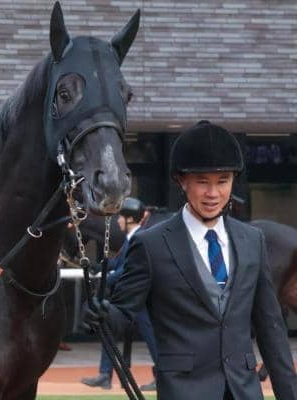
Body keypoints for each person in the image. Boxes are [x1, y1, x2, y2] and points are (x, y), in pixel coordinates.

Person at [84, 121, 297, 399]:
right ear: (181, 180)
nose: (213, 194)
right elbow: (123, 316)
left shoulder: (252, 241)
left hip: (244, 391)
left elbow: (271, 329)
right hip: (183, 390)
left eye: (223, 181)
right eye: (202, 182)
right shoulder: (150, 245)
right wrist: (101, 314)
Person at [81, 197, 157, 391]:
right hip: (130, 301)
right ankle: (105, 375)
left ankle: (163, 374)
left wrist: (107, 279)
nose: (119, 221)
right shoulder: (131, 238)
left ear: (130, 218)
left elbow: (128, 269)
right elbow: (117, 263)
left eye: (121, 217)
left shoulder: (140, 238)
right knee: (109, 329)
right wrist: (99, 267)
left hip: (140, 302)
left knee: (153, 338)